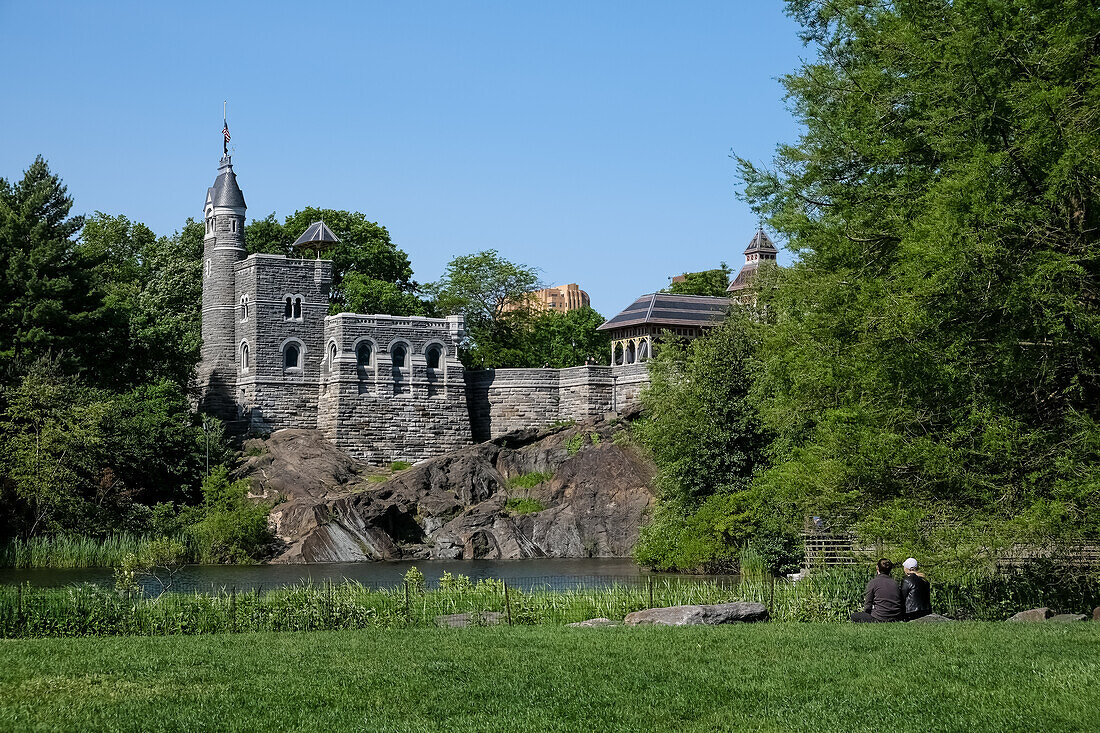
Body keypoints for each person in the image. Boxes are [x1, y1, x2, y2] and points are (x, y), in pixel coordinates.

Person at [850, 558, 903, 622]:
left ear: (877, 568)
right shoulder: (895, 583)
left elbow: (868, 604)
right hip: (895, 617)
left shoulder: (873, 582)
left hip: (880, 617)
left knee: (854, 615)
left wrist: (867, 612)